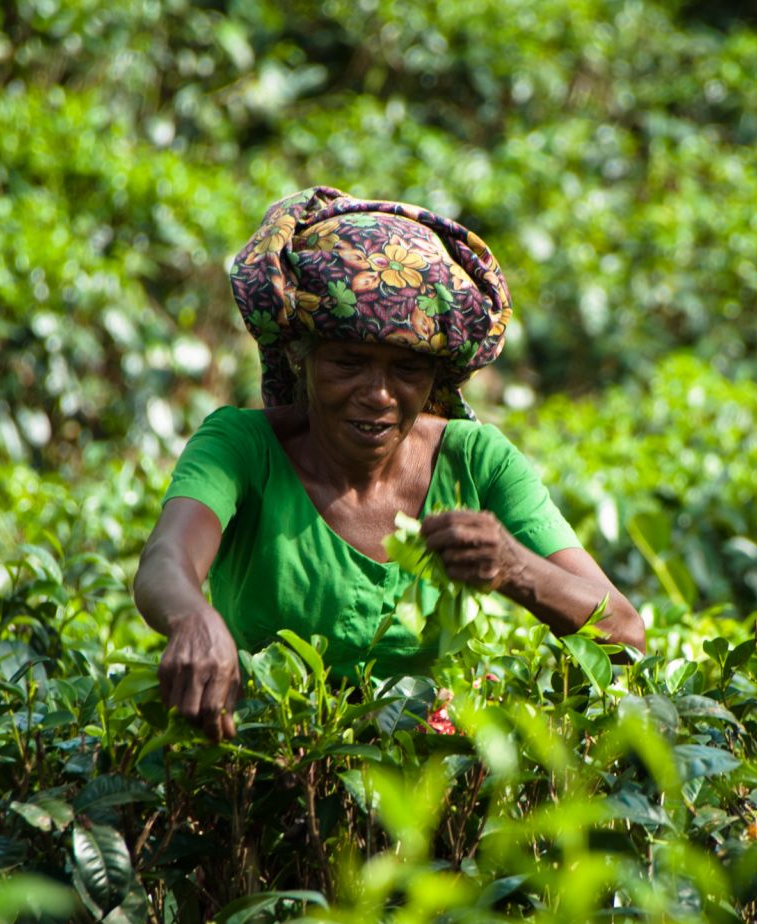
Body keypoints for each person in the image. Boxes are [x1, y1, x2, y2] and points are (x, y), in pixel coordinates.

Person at [134, 187, 646, 740]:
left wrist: (513, 568)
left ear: (436, 376)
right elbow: (167, 559)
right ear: (299, 358)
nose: (378, 394)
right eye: (348, 363)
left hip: (426, 788)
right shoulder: (241, 447)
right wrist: (193, 619)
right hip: (266, 766)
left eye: (406, 370)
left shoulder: (477, 460)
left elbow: (624, 633)